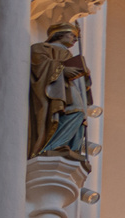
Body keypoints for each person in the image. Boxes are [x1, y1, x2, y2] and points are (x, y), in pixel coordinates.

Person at [29, 23, 93, 167]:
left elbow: (83, 84)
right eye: (72, 35)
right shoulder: (40, 48)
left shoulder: (69, 55)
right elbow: (39, 65)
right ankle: (52, 146)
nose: (75, 40)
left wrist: (85, 75)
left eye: (77, 37)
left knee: (79, 114)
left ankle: (70, 147)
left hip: (71, 89)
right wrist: (61, 70)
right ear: (59, 34)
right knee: (73, 112)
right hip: (56, 90)